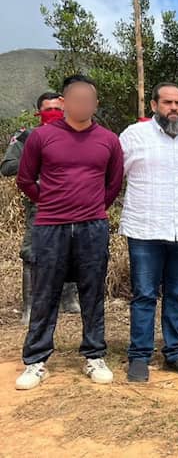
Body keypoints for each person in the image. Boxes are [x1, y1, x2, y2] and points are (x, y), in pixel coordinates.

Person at [15, 75, 124, 390]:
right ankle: (36, 361)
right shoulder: (41, 137)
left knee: (92, 292)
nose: (83, 104)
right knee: (45, 293)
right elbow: (25, 179)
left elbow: (114, 183)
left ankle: (94, 355)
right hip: (50, 226)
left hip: (93, 227)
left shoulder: (108, 140)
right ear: (63, 102)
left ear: (95, 103)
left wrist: (92, 207)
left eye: (88, 99)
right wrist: (50, 202)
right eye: (76, 99)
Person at [119, 83, 178, 382]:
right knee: (144, 295)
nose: (174, 108)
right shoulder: (134, 135)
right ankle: (139, 357)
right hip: (145, 229)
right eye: (167, 102)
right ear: (153, 105)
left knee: (177, 295)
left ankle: (174, 353)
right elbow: (112, 174)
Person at [2, 91, 80, 325]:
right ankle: (30, 307)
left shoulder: (78, 134)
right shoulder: (26, 136)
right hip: (41, 203)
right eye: (49, 110)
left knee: (72, 249)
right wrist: (36, 157)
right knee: (32, 253)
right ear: (39, 112)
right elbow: (7, 167)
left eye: (58, 109)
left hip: (73, 202)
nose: (54, 114)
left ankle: (69, 300)